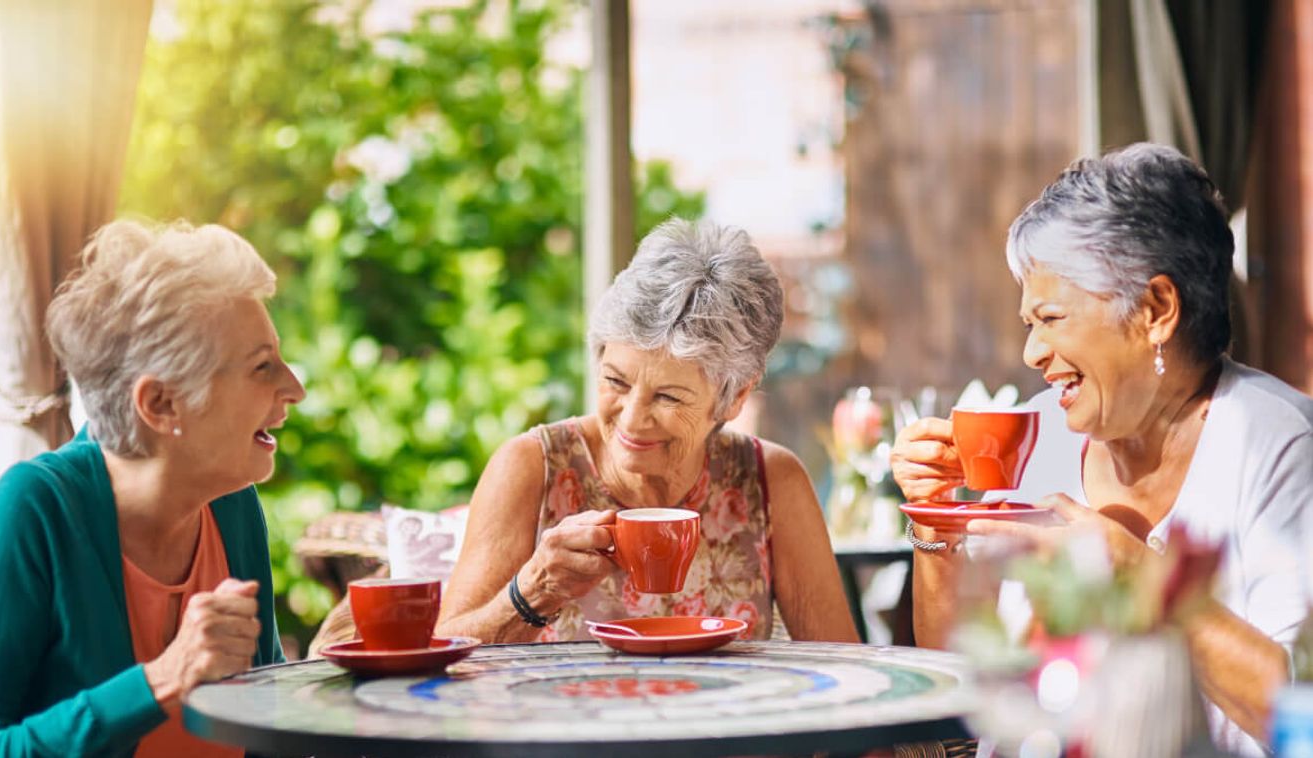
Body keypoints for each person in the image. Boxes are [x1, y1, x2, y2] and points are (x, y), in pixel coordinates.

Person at [890, 143, 1313, 756]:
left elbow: (1297, 713)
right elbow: (964, 680)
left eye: (1052, 318)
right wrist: (937, 526)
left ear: (1155, 310)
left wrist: (1138, 574)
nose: (1031, 353)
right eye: (1028, 324)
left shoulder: (1276, 443)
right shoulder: (1036, 431)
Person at [0, 220, 306, 756]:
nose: (295, 387)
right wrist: (159, 681)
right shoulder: (29, 513)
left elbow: (260, 712)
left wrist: (344, 676)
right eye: (262, 367)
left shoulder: (232, 503)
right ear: (161, 404)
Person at [436, 218, 858, 644]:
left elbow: (847, 671)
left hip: (729, 711)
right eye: (616, 382)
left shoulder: (773, 480)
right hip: (564, 713)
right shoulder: (531, 466)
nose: (633, 419)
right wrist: (534, 591)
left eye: (668, 397)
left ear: (734, 399)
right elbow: (444, 656)